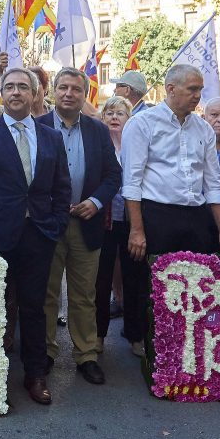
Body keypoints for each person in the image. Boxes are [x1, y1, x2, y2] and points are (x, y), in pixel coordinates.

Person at [0, 66, 72, 405]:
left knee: (34, 307)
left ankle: (35, 374)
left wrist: (55, 226)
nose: (15, 92)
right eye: (9, 86)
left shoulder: (51, 136)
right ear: (2, 92)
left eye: (23, 87)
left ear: (35, 93)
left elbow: (61, 186)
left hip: (39, 235)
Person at [121, 64, 220, 353]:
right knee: (147, 281)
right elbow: (132, 181)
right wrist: (137, 229)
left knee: (195, 284)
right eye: (192, 89)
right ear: (171, 89)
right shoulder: (142, 124)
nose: (198, 96)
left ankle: (187, 342)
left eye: (199, 89)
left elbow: (213, 183)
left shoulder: (203, 129)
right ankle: (141, 338)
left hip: (195, 216)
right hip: (154, 213)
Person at [37, 68, 121, 385]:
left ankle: (86, 355)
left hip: (87, 224)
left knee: (84, 294)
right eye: (63, 87)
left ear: (84, 94)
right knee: (47, 293)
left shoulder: (98, 131)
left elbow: (114, 175)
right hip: (49, 224)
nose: (69, 93)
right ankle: (45, 352)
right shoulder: (38, 126)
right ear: (53, 92)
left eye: (75, 88)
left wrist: (96, 202)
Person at [93, 96, 147, 357]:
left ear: (130, 119)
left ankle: (136, 336)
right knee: (101, 281)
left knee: (134, 280)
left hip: (131, 223)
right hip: (104, 223)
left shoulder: (136, 146)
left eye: (120, 113)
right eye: (109, 113)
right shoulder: (99, 146)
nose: (114, 117)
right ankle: (98, 335)